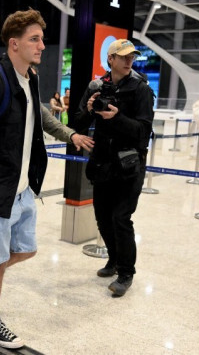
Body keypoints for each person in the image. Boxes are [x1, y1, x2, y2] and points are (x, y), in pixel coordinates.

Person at [0, 9, 92, 349]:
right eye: (34, 39)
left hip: (21, 188)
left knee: (26, 250)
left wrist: (68, 135)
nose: (41, 45)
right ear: (14, 44)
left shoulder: (30, 77)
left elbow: (38, 120)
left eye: (41, 38)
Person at [73, 39, 154, 297]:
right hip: (103, 161)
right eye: (123, 56)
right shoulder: (96, 86)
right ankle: (114, 259)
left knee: (121, 218)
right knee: (103, 218)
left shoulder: (140, 88)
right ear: (111, 59)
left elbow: (143, 131)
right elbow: (77, 121)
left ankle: (126, 272)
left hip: (130, 164)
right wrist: (88, 110)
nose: (129, 60)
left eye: (132, 56)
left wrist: (117, 118)